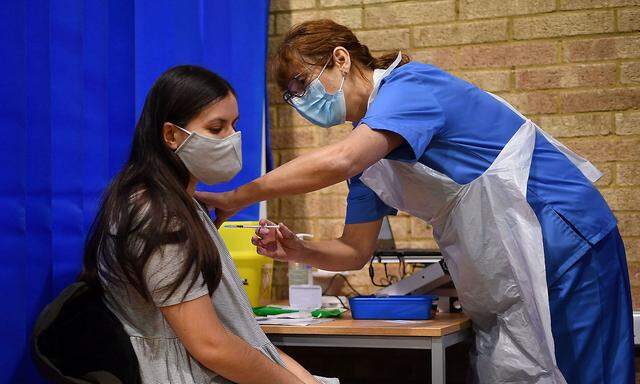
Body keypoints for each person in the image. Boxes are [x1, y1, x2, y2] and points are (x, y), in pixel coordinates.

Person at [196, 20, 635, 384]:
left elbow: (342, 160)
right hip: (503, 262)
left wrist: (239, 195)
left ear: (342, 60)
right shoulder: (372, 153)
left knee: (582, 372)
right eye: (292, 97)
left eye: (303, 85)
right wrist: (300, 250)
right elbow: (354, 251)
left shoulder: (409, 87)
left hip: (559, 237)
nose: (301, 102)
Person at [78, 65, 338, 384]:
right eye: (217, 128)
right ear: (172, 135)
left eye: (234, 125)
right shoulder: (155, 215)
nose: (232, 138)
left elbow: (248, 337)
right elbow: (212, 346)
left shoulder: (188, 205)